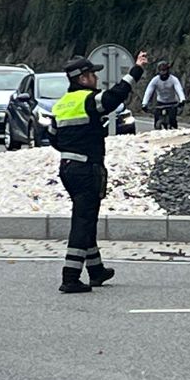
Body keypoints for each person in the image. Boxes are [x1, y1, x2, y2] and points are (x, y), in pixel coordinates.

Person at [50, 51, 147, 294]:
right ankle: (70, 276)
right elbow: (115, 97)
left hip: (67, 167)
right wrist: (136, 70)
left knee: (86, 218)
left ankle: (96, 271)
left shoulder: (61, 104)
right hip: (86, 168)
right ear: (82, 78)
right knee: (83, 221)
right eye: (92, 74)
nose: (95, 78)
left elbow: (53, 138)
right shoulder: (88, 100)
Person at [142, 61, 185, 130]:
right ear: (158, 71)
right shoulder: (155, 80)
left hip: (172, 102)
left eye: (165, 70)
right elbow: (148, 91)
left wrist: (182, 99)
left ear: (168, 70)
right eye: (161, 71)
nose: (163, 73)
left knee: (172, 120)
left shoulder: (173, 79)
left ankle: (174, 131)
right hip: (160, 102)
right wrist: (144, 103)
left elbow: (179, 89)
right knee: (156, 119)